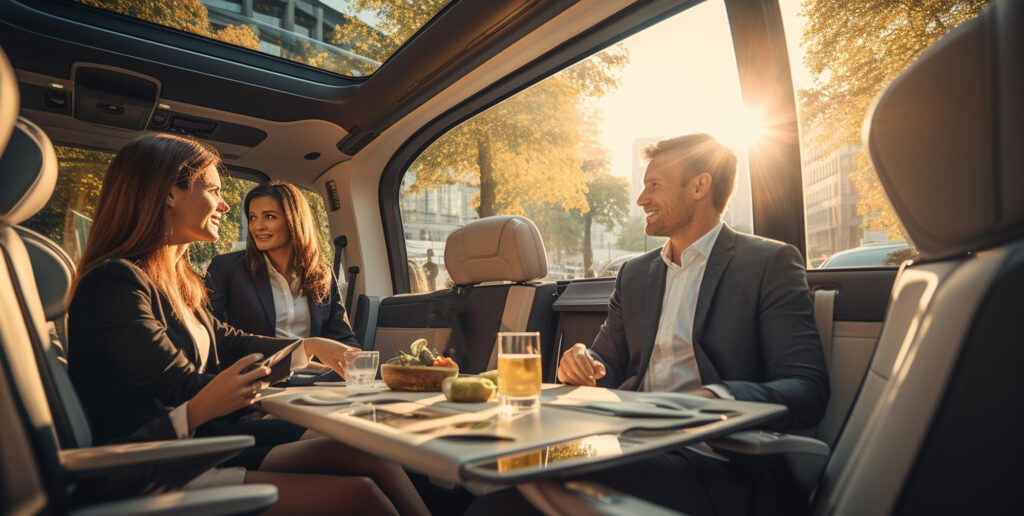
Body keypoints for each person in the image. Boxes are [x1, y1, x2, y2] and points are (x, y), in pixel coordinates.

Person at [67, 133, 429, 515]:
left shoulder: (176, 281)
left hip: (199, 439)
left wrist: (309, 347)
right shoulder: (115, 283)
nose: (225, 205)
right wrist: (256, 386)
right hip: (159, 462)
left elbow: (229, 342)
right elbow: (179, 389)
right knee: (361, 496)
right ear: (169, 192)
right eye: (213, 190)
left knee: (369, 451)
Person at [471, 134, 829, 515]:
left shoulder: (767, 263)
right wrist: (581, 361)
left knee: (511, 500)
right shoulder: (635, 274)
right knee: (506, 474)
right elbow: (606, 362)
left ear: (699, 186)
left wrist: (716, 398)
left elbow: (807, 390)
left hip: (715, 462)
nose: (641, 199)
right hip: (625, 442)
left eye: (654, 185)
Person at [205, 181, 358, 345]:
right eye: (252, 217)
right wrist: (304, 349)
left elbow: (343, 339)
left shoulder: (322, 274)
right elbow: (211, 335)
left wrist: (356, 360)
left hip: (315, 370)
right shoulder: (226, 268)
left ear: (294, 221)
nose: (257, 226)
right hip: (256, 368)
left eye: (269, 217)